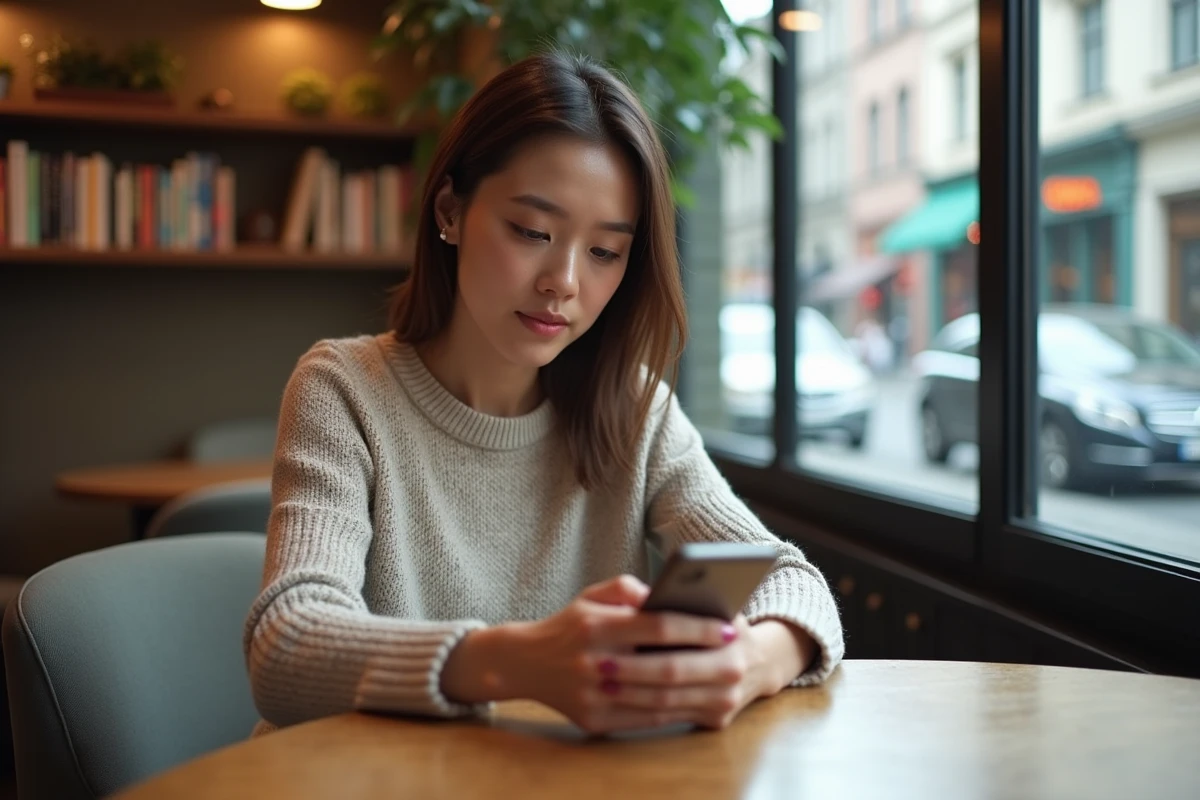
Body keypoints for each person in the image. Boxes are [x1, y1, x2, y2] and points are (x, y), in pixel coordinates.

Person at [243, 51, 844, 738]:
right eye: (532, 232)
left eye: (604, 252)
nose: (563, 281)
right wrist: (520, 662)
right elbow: (285, 646)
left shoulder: (633, 407)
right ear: (450, 210)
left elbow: (793, 582)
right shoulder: (344, 391)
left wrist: (750, 662)